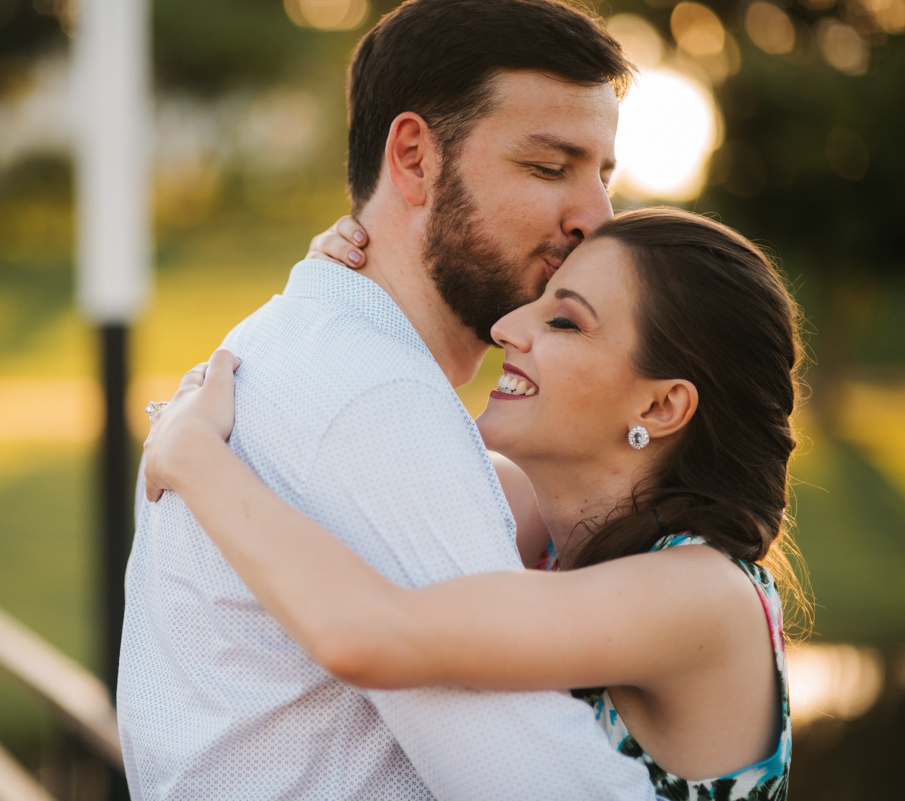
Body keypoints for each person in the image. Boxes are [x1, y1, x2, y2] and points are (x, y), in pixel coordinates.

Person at [116, 0, 658, 797]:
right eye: (549, 167)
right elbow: (536, 779)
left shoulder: (308, 344)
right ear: (413, 158)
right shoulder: (373, 400)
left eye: (603, 176)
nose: (597, 220)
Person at [143, 207, 801, 801]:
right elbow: (357, 475)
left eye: (564, 319)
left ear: (660, 406)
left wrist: (194, 454)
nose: (508, 326)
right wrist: (339, 297)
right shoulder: (543, 518)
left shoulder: (703, 595)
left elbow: (368, 633)